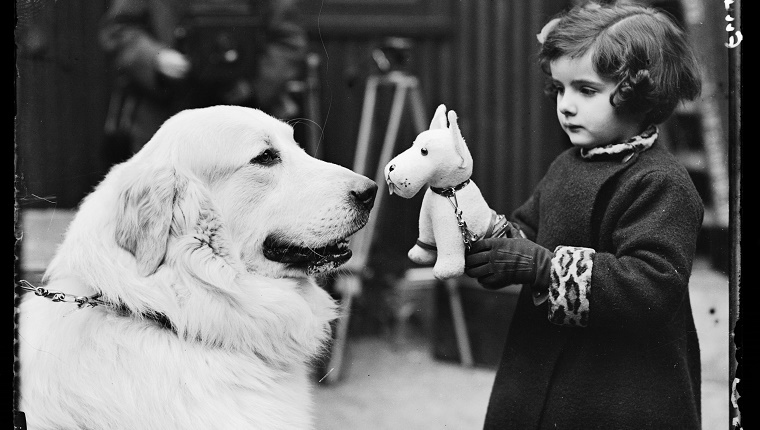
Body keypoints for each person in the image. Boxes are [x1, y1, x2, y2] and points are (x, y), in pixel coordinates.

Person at [463, 2, 703, 429]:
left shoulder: (662, 182)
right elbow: (528, 230)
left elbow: (652, 284)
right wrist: (492, 245)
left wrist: (543, 267)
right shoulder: (568, 165)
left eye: (586, 90)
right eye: (559, 88)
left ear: (639, 93)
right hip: (541, 366)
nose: (566, 106)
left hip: (620, 384)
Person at [98, 0, 307, 156]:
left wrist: (253, 86)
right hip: (164, 113)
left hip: (246, 119)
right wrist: (155, 58)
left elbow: (288, 40)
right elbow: (118, 28)